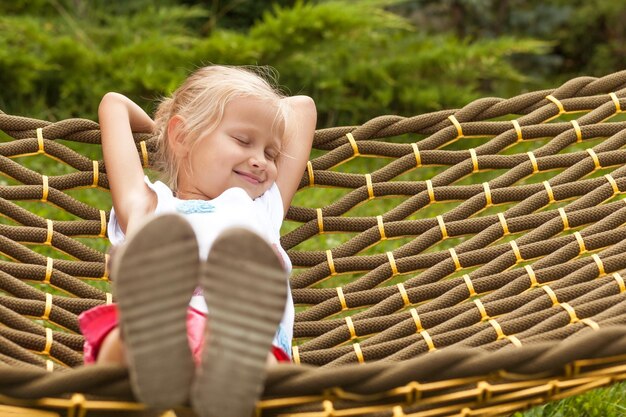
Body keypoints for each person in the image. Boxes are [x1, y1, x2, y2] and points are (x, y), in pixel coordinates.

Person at [77, 65, 316, 417]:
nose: (261, 161)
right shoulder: (150, 205)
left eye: (271, 153)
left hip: (243, 341)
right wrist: (163, 126)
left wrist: (179, 126)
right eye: (243, 140)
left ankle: (216, 362)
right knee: (124, 341)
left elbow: (303, 107)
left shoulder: (262, 206)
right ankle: (152, 340)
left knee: (263, 366)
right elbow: (113, 105)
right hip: (166, 330)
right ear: (183, 137)